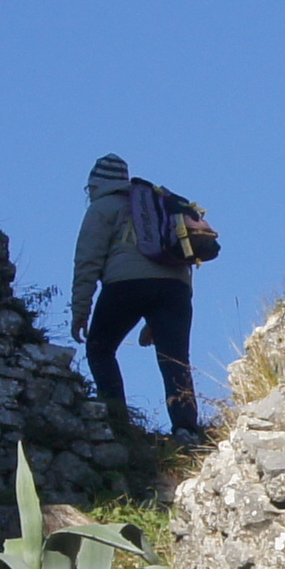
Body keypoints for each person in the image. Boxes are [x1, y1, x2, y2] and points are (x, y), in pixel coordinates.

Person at [71, 150, 201, 437]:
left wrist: (81, 310)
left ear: (95, 185)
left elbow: (87, 261)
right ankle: (187, 430)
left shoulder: (103, 207)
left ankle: (118, 424)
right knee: (175, 358)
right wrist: (158, 318)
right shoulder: (158, 206)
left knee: (100, 349)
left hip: (125, 284)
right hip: (176, 288)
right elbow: (183, 258)